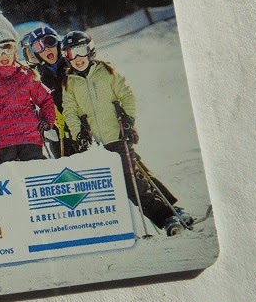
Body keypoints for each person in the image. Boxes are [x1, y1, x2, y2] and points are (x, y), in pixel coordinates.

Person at [60, 31, 193, 236]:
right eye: (71, 53)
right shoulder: (69, 83)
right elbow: (70, 111)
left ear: (90, 50)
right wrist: (79, 134)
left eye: (80, 51)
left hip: (118, 136)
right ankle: (174, 210)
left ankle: (166, 217)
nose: (77, 58)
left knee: (131, 183)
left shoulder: (106, 72)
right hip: (98, 144)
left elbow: (127, 95)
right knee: (139, 173)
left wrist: (129, 119)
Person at [0, 29, 58, 164]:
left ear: (15, 53)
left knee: (36, 172)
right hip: (2, 143)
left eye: (8, 49)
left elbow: (46, 100)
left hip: (30, 138)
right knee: (11, 175)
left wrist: (47, 120)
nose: (4, 55)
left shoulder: (26, 75)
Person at [21, 26, 82, 157]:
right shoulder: (37, 77)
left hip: (81, 128)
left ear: (58, 44)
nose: (46, 49)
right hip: (58, 135)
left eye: (50, 42)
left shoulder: (73, 66)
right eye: (39, 47)